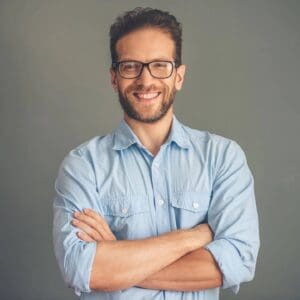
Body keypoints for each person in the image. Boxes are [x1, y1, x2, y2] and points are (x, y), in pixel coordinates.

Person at [53, 7, 260, 300]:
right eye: (130, 66)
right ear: (114, 78)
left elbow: (237, 260)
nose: (145, 80)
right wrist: (194, 237)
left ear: (179, 76)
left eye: (160, 65)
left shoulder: (223, 158)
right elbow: (82, 269)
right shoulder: (82, 166)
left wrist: (117, 259)